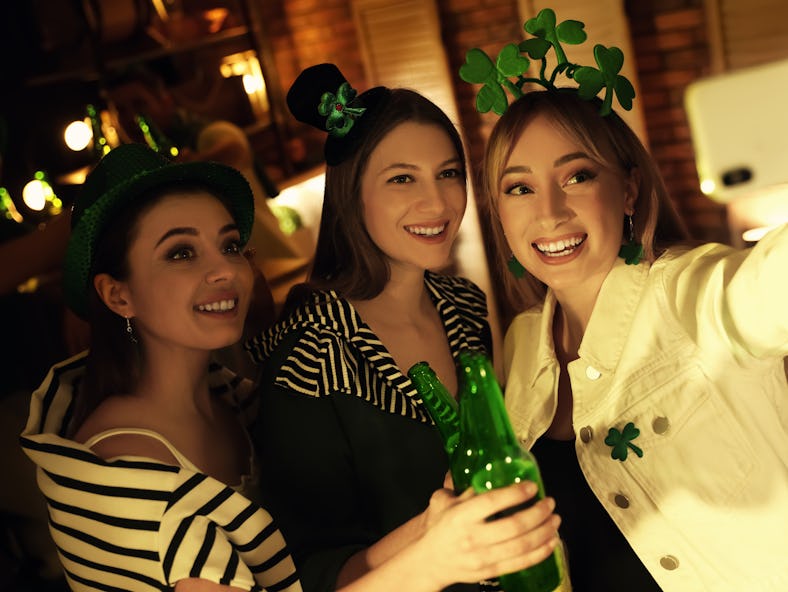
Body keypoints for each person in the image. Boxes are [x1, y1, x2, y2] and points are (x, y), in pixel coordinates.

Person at [19, 143, 561, 591]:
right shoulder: (127, 476)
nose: (224, 271)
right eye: (181, 253)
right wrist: (433, 562)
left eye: (230, 246)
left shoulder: (236, 399)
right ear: (118, 295)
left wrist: (437, 527)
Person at [474, 18, 788, 591]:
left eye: (576, 176)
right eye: (519, 187)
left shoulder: (690, 295)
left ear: (630, 191)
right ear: (499, 213)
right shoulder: (519, 346)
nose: (548, 212)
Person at [245, 63, 563, 592]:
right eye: (401, 179)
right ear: (352, 194)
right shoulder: (311, 353)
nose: (437, 202)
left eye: (448, 173)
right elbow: (312, 569)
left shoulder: (463, 306)